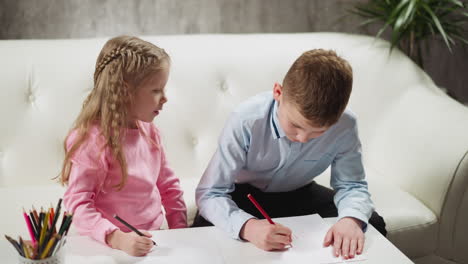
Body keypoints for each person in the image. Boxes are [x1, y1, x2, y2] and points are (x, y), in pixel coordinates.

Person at [194, 49, 386, 260]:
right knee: (204, 226)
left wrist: (351, 220)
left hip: (300, 193)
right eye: (295, 125)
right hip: (244, 195)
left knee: (372, 224)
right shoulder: (246, 119)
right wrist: (248, 227)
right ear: (278, 92)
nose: (303, 138)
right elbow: (209, 193)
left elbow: (352, 186)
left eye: (318, 133)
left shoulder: (345, 125)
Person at [61, 36, 187, 256]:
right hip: (107, 246)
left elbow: (169, 187)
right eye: (156, 90)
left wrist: (181, 232)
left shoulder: (150, 132)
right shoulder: (93, 139)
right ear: (125, 91)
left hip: (153, 242)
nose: (164, 98)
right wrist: (117, 238)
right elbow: (77, 204)